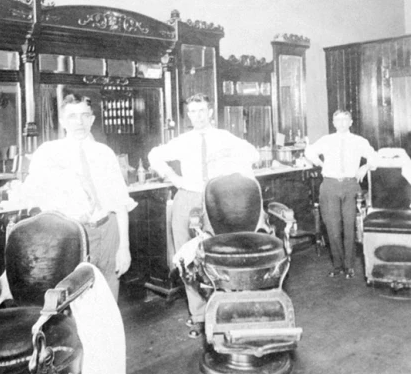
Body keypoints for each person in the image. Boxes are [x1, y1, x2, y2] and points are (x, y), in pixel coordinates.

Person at [148, 93, 259, 337]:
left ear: (210, 112)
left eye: (201, 111)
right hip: (187, 196)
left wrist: (230, 166)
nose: (197, 116)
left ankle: (223, 307)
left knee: (218, 253)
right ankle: (197, 315)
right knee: (187, 257)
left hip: (217, 199)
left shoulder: (224, 137)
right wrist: (174, 178)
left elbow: (253, 154)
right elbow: (154, 156)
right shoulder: (183, 140)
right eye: (192, 112)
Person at [23, 94, 135, 301]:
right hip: (72, 232)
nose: (79, 122)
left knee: (109, 294)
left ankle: (106, 334)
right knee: (76, 297)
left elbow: (120, 203)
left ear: (92, 119)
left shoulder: (105, 153)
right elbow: (33, 198)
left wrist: (124, 248)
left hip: (108, 229)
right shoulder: (48, 153)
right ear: (62, 122)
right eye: (72, 116)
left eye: (85, 116)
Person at [304, 109, 376, 280]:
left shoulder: (359, 141)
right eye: (337, 120)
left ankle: (349, 266)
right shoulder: (326, 140)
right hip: (329, 185)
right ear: (333, 123)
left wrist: (365, 167)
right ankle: (338, 265)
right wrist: (320, 163)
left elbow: (374, 156)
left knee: (350, 226)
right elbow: (309, 152)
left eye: (345, 119)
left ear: (351, 122)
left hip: (351, 185)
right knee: (332, 227)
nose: (341, 123)